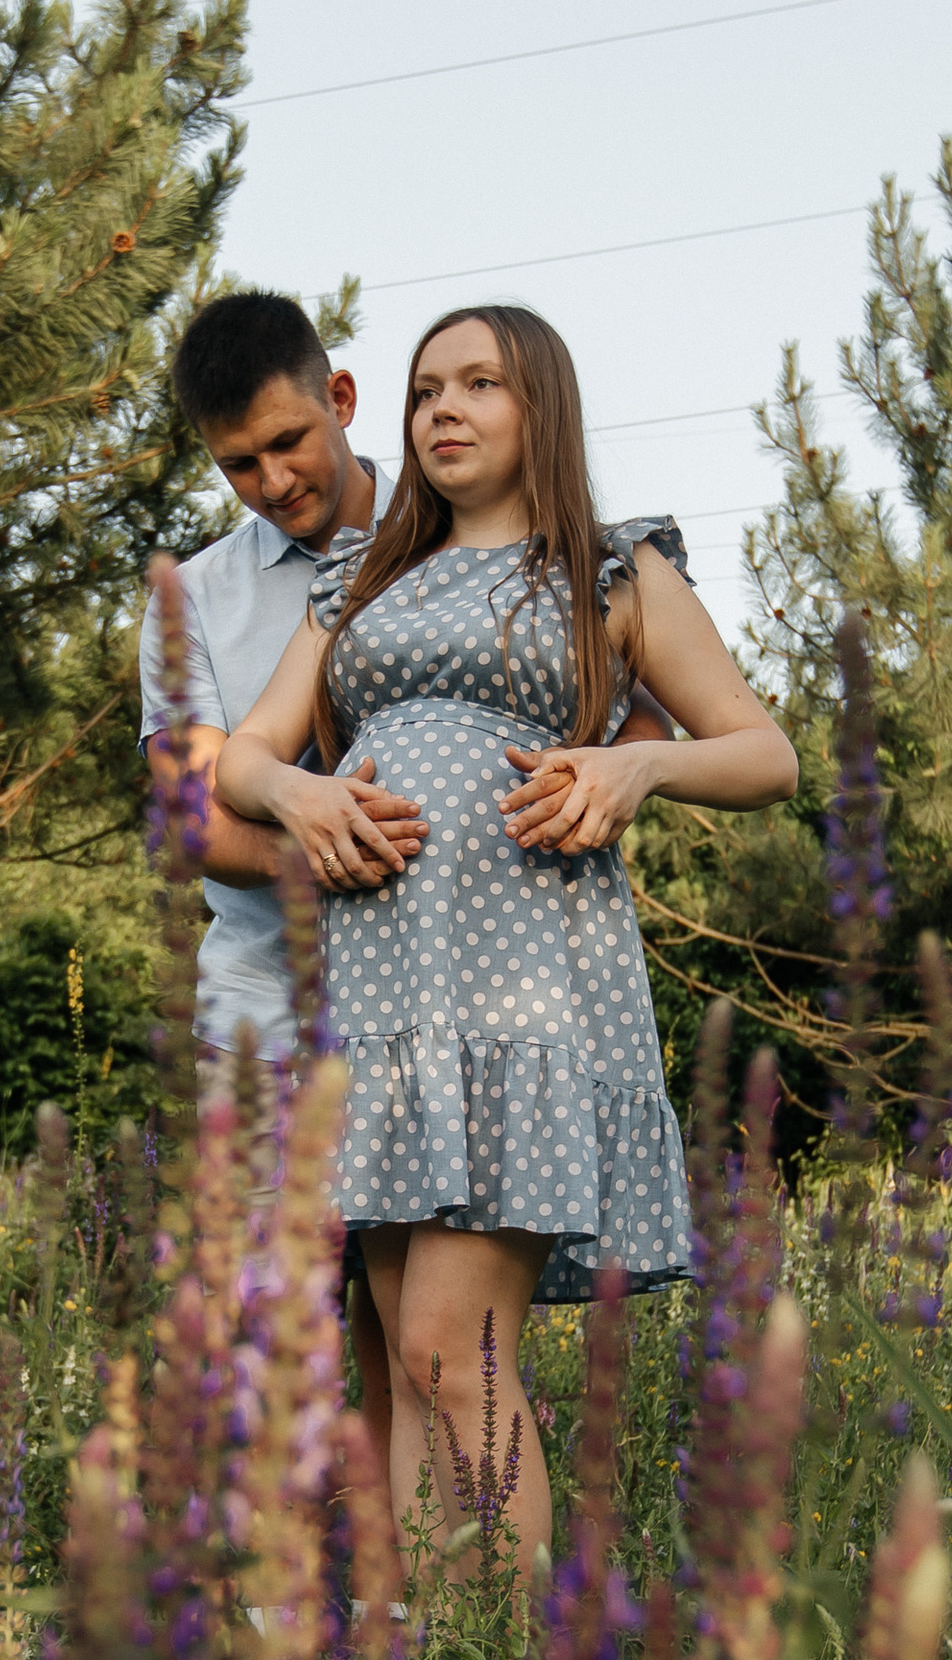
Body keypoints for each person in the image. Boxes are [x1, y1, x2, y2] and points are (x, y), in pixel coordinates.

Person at [215, 301, 799, 1577]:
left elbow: (766, 753)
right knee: (410, 1366)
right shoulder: (357, 579)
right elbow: (246, 759)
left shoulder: (611, 569)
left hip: (524, 1001)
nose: (444, 410)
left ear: (540, 405)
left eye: (478, 383)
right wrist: (302, 793)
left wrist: (634, 775)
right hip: (378, 1008)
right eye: (428, 389)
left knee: (444, 1345)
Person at [141, 292, 678, 1500]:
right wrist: (326, 835)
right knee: (266, 1310)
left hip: (475, 981)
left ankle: (408, 1624)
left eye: (289, 444)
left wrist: (616, 775)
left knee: (420, 1343)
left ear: (340, 402)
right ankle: (277, 1616)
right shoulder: (209, 600)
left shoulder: (467, 528)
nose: (273, 479)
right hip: (271, 989)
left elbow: (631, 704)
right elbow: (195, 798)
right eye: (238, 466)